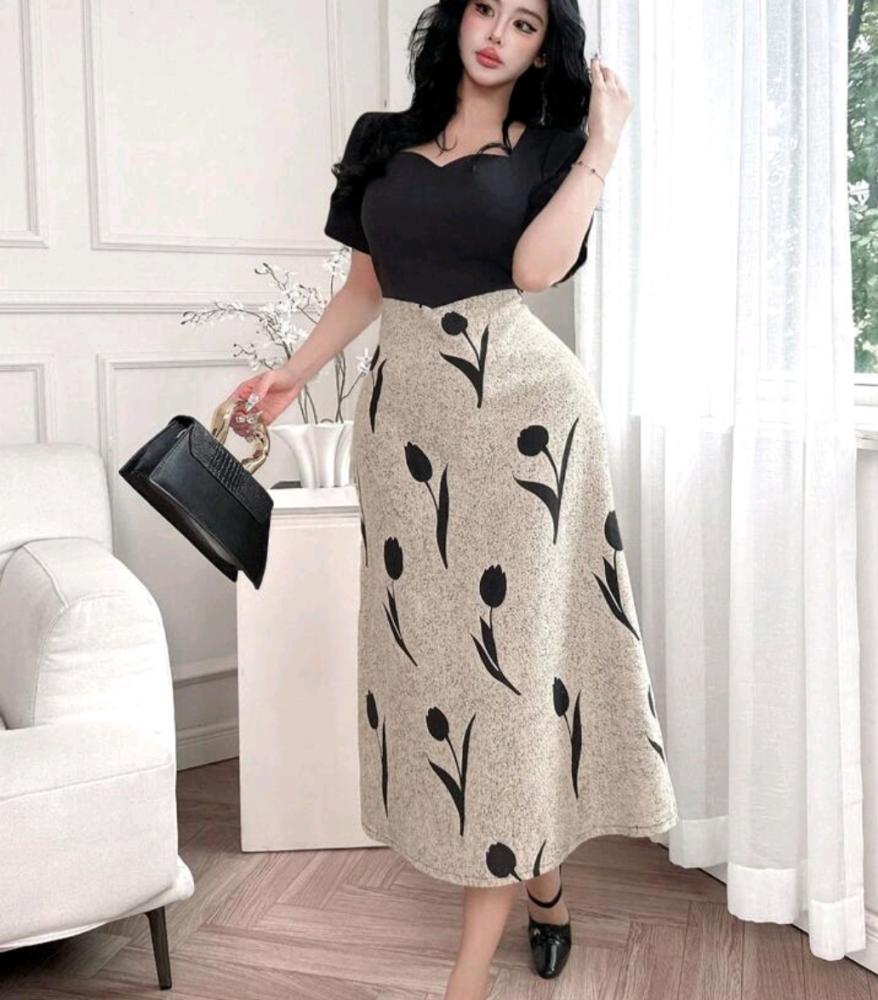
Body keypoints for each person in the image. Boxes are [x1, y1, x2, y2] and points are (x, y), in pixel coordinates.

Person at [229, 2, 678, 997]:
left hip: (525, 420)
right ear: (457, 17)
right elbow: (367, 286)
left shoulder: (553, 150)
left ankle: (464, 982)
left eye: (525, 23)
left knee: (510, 674)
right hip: (407, 429)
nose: (497, 34)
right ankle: (545, 885)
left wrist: (602, 148)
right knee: (441, 662)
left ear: (541, 48)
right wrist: (294, 374)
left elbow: (532, 271)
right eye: (486, 8)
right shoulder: (379, 141)